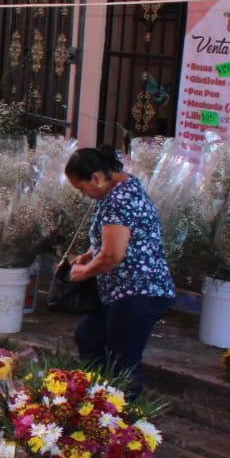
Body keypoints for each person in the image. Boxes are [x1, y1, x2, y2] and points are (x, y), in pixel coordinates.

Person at [62, 145, 176, 400]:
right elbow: (115, 237)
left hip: (138, 291)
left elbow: (113, 255)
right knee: (89, 336)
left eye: (82, 188)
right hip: (120, 291)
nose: (83, 194)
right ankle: (94, 400)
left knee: (122, 361)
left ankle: (122, 421)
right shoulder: (120, 188)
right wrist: (90, 254)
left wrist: (85, 271)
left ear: (97, 178)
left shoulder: (119, 199)